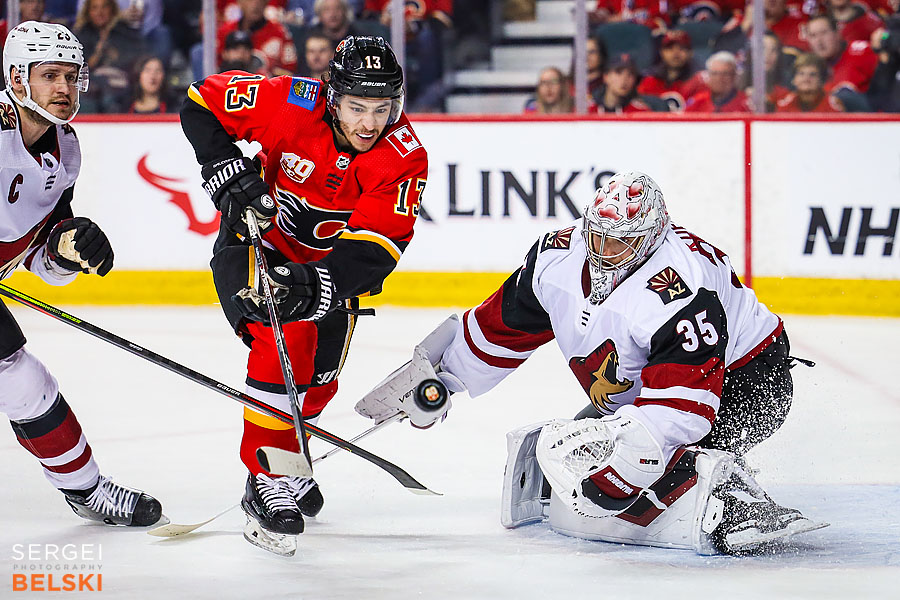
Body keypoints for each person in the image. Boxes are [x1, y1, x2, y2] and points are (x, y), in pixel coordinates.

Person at [358, 171, 825, 555]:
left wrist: (625, 473)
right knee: (587, 444)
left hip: (748, 383)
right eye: (597, 236)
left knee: (653, 459)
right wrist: (440, 381)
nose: (603, 252)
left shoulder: (680, 288)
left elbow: (683, 405)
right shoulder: (555, 258)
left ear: (651, 238)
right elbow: (503, 328)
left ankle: (736, 500)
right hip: (649, 388)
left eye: (619, 243)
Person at [180, 35, 428, 555]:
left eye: (382, 109)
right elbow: (200, 101)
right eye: (357, 107)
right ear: (332, 97)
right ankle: (268, 476)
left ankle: (293, 459)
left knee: (319, 382)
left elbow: (377, 249)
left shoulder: (403, 156)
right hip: (255, 242)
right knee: (287, 338)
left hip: (327, 268)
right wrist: (223, 169)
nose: (369, 123)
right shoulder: (291, 100)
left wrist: (319, 285)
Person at [0, 21, 162, 527]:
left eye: (71, 76)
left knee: (25, 383)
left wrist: (67, 249)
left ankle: (86, 491)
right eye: (50, 75)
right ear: (17, 78)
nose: (64, 89)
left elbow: (40, 261)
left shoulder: (65, 148)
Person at [216, 0, 297, 77]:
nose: (256, 4)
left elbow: (289, 70)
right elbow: (215, 65)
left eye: (260, 0)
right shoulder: (225, 31)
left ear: (266, 3)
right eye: (250, 0)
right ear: (239, 2)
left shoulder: (280, 33)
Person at [636, 29, 707, 112]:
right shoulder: (649, 81)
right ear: (661, 52)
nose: (675, 53)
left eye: (681, 48)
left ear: (690, 53)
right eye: (670, 48)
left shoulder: (699, 83)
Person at [807, 13, 879, 92]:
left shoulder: (863, 53)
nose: (819, 41)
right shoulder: (808, 71)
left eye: (823, 33)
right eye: (813, 36)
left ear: (837, 33)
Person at [685, 51, 753, 112]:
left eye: (725, 74)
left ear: (734, 76)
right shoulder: (697, 101)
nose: (719, 78)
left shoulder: (746, 104)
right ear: (708, 76)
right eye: (714, 73)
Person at [776, 52, 846, 111]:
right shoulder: (784, 105)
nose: (806, 79)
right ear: (794, 79)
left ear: (822, 80)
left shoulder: (834, 106)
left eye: (812, 74)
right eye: (801, 74)